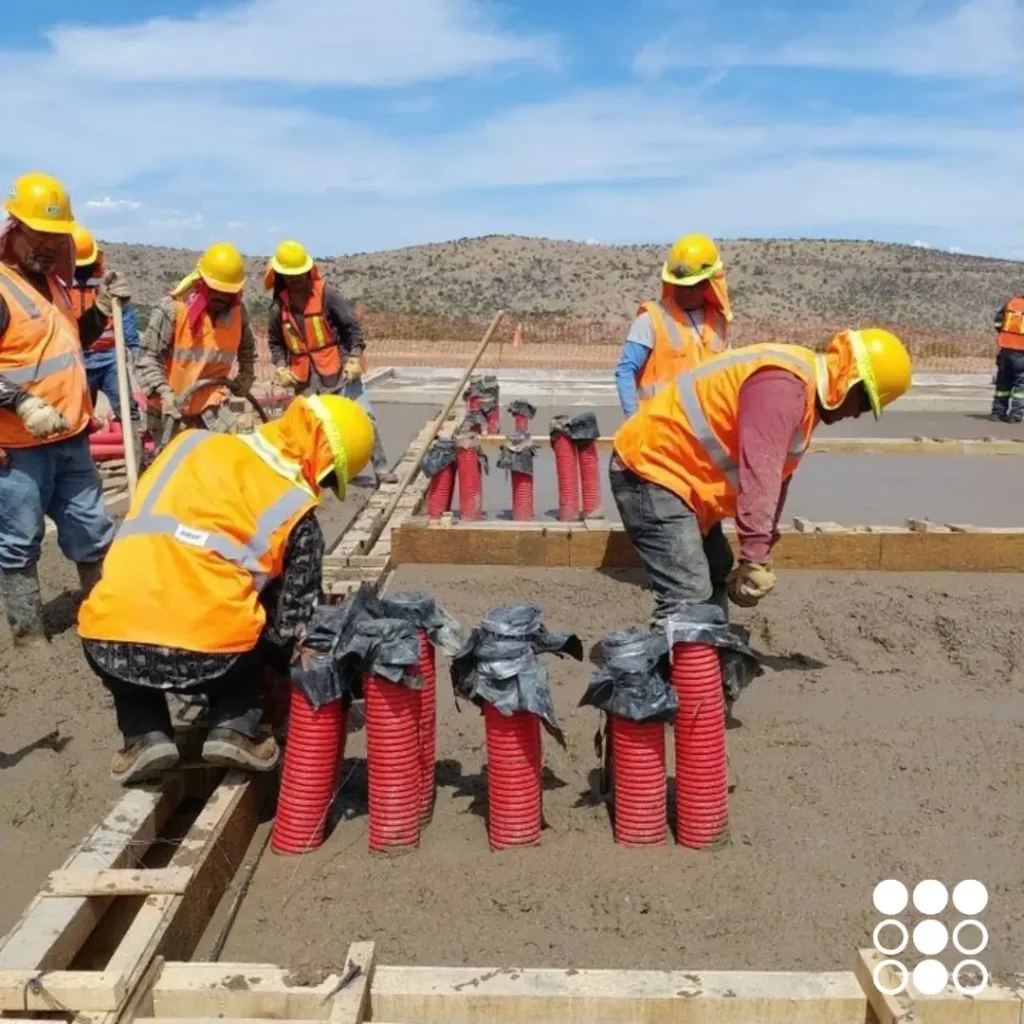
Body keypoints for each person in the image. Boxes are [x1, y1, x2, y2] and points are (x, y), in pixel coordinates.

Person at [78, 393, 376, 785]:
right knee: (255, 628)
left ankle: (143, 733)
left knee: (125, 613)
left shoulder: (186, 444)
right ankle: (235, 726)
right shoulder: (295, 512)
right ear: (320, 463)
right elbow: (290, 629)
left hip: (109, 643)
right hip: (215, 657)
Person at [610, 329, 913, 620]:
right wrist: (754, 556)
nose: (858, 413)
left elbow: (778, 479)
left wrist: (759, 551)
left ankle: (706, 659)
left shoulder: (805, 400)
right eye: (865, 400)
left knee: (716, 569)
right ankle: (682, 668)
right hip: (650, 470)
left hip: (680, 479)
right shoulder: (783, 387)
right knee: (688, 593)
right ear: (851, 380)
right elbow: (761, 474)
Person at [0, 172, 123, 648]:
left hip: (70, 438)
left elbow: (71, 346)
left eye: (56, 237)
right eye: (39, 234)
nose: (48, 246)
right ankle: (29, 638)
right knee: (19, 540)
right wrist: (22, 401)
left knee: (92, 529)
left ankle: (106, 615)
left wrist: (99, 312)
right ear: (15, 229)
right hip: (19, 447)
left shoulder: (54, 286)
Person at [264, 239, 394, 484]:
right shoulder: (278, 306)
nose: (296, 282)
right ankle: (322, 475)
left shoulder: (327, 294)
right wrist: (281, 366)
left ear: (307, 271)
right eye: (290, 277)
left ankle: (381, 469)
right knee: (310, 428)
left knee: (364, 416)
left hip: (338, 368)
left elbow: (352, 329)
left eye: (299, 275)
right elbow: (275, 342)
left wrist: (354, 358)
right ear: (282, 276)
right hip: (305, 377)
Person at [134, 241, 256, 443]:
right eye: (216, 289)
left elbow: (248, 349)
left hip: (211, 408)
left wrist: (246, 375)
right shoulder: (173, 310)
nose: (221, 296)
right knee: (174, 468)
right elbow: (147, 357)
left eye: (227, 292)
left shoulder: (238, 315)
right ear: (203, 282)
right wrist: (164, 391)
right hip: (169, 410)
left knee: (223, 461)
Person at [615, 234, 733, 418]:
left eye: (691, 286)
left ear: (706, 284)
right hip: (659, 430)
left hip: (706, 431)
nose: (684, 292)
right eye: (679, 285)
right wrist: (633, 422)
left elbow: (729, 375)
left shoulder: (718, 323)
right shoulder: (651, 319)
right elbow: (625, 371)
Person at [69, 224, 141, 428]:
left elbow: (124, 313)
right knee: (80, 418)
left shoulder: (107, 282)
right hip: (78, 359)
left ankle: (136, 452)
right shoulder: (58, 284)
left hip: (110, 358)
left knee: (128, 410)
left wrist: (132, 344)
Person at [990, 292, 1024, 423]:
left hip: (1006, 349)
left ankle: (998, 413)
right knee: (1021, 385)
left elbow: (998, 322)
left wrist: (1004, 335)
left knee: (1003, 383)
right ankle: (1015, 415)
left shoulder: (1012, 302)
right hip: (1022, 353)